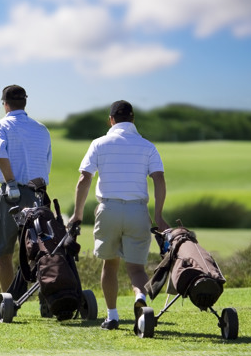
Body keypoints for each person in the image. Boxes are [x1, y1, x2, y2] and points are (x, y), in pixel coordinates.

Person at [69, 100, 170, 330]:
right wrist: (159, 215)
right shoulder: (148, 146)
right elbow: (159, 179)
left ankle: (113, 317)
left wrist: (77, 214)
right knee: (136, 269)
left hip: (109, 209)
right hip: (137, 211)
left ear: (111, 120)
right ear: (133, 119)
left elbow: (84, 178)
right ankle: (140, 301)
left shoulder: (98, 144)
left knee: (110, 265)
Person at [0, 84, 52, 292]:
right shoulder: (41, 129)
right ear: (25, 102)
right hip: (38, 196)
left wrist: (11, 182)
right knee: (41, 251)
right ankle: (46, 299)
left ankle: (10, 300)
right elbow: (46, 162)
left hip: (12, 195)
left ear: (5, 104)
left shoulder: (0, 126)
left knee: (4, 252)